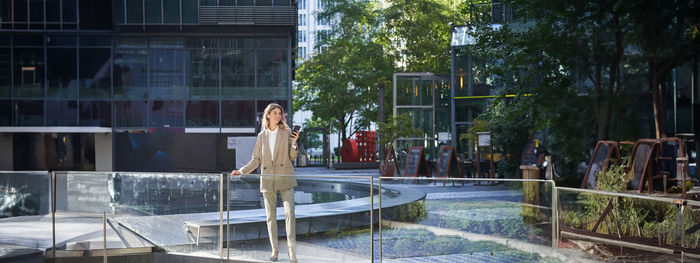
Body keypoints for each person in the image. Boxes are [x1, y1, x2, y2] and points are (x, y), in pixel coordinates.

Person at [232, 103, 299, 262]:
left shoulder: (287, 132)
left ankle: (291, 250)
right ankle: (274, 250)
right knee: (271, 216)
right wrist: (241, 171)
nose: (278, 116)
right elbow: (256, 159)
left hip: (285, 176)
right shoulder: (262, 136)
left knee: (290, 213)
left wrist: (295, 143)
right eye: (274, 113)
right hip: (267, 178)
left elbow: (293, 156)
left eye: (280, 113)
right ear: (267, 115)